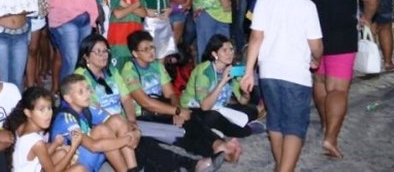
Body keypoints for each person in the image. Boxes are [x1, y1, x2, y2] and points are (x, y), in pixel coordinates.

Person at [298, 0, 379, 160]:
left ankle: (325, 124)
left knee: (320, 82)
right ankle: (331, 137)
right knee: (338, 89)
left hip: (312, 39)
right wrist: (367, 17)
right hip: (342, 38)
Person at [241, 0, 323, 172]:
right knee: (295, 127)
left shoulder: (264, 2)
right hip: (296, 73)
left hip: (268, 71)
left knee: (275, 123)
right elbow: (316, 44)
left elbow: (255, 38)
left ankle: (282, 167)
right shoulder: (308, 6)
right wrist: (317, 58)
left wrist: (249, 72)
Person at [118, 31, 241, 163]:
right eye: (145, 49)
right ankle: (214, 150)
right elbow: (145, 102)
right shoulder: (129, 70)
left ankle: (218, 145)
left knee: (190, 118)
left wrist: (177, 111)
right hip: (140, 116)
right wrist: (176, 111)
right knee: (181, 133)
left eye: (152, 47)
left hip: (160, 110)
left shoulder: (157, 65)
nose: (151, 52)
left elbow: (170, 94)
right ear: (135, 54)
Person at [49, 75, 138, 172]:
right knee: (102, 130)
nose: (87, 94)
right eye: (81, 92)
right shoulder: (65, 119)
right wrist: (128, 139)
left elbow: (119, 122)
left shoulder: (87, 107)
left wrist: (136, 132)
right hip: (76, 164)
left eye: (87, 89)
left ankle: (133, 168)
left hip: (88, 158)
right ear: (68, 98)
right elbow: (93, 146)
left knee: (117, 119)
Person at [180, 35, 261, 139]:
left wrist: (245, 92)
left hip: (220, 107)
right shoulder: (204, 71)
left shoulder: (233, 70)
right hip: (194, 108)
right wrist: (222, 81)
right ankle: (244, 130)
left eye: (231, 49)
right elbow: (205, 106)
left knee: (252, 110)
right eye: (224, 50)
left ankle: (218, 128)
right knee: (212, 117)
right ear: (215, 54)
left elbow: (242, 101)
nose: (230, 53)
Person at [4, 86, 85, 172]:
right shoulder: (36, 142)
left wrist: (56, 144)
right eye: (41, 110)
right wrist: (74, 147)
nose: (48, 114)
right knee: (80, 169)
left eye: (49, 108)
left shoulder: (21, 126)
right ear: (28, 112)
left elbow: (37, 157)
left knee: (61, 153)